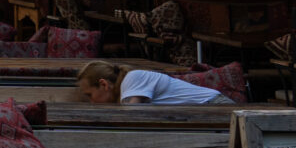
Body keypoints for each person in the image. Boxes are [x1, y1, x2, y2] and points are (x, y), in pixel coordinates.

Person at [76, 58, 228, 105]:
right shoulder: (125, 90)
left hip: (215, 106)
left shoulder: (133, 78)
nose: (91, 102)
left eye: (90, 95)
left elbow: (132, 117)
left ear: (104, 84)